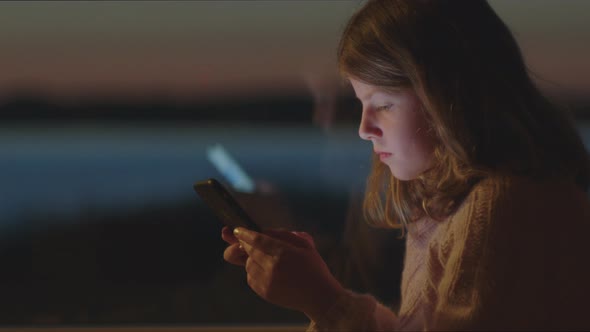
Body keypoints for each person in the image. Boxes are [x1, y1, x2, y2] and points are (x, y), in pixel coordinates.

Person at [222, 0, 590, 330]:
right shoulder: (446, 207)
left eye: (383, 104)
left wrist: (325, 302)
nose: (364, 129)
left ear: (450, 97)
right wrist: (313, 289)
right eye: (360, 103)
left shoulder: (501, 207)